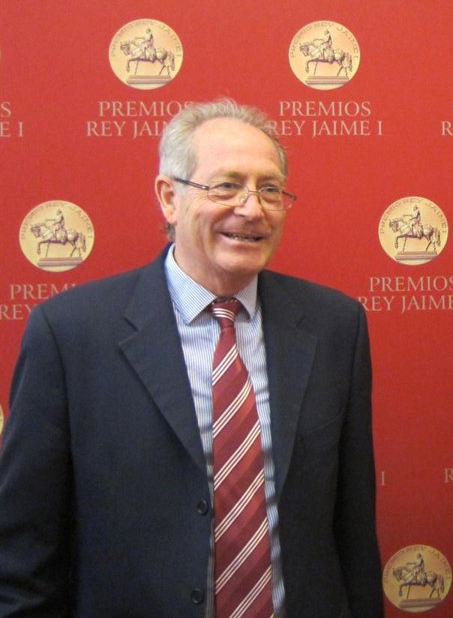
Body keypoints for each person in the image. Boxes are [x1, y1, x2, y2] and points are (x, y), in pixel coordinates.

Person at [0, 100, 383, 617]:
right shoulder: (71, 334)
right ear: (169, 197)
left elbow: (353, 529)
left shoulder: (334, 326)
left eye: (270, 189)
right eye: (226, 186)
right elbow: (24, 550)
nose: (252, 209)